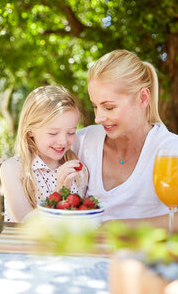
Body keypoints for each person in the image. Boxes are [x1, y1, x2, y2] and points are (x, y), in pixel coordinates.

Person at [72, 49, 178, 226]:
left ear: (143, 98)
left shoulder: (171, 151)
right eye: (95, 107)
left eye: (109, 107)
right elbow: (28, 161)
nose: (98, 118)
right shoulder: (82, 141)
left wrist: (120, 227)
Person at [0, 85, 88, 222]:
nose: (63, 141)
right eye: (53, 133)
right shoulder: (12, 169)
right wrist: (60, 192)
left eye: (71, 132)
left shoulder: (76, 167)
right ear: (30, 131)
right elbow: (26, 223)